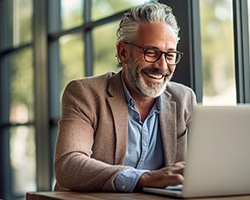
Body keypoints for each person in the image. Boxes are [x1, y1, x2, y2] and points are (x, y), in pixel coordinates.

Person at [54, 1, 196, 193]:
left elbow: (196, 169)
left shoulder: (184, 99)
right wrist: (144, 178)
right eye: (151, 52)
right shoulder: (84, 93)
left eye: (169, 55)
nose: (162, 66)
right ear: (123, 52)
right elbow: (68, 165)